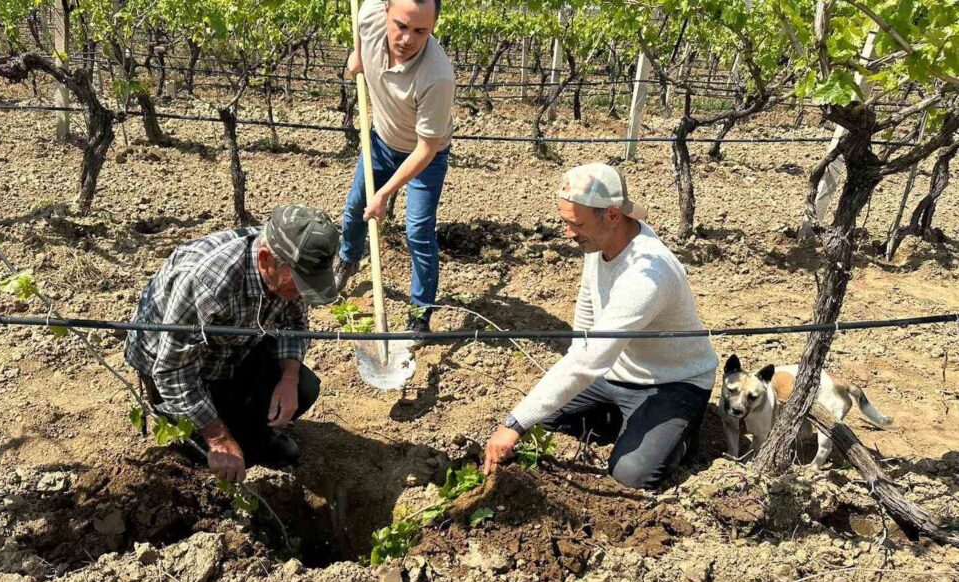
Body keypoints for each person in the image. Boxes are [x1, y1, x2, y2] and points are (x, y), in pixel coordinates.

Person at [483, 164, 719, 490]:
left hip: (672, 382)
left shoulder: (647, 275)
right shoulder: (599, 243)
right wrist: (531, 416)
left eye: (576, 224)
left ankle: (679, 436)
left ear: (611, 215)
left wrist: (514, 423)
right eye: (566, 222)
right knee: (545, 419)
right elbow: (585, 324)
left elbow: (590, 358)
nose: (568, 233)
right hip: (614, 374)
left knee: (631, 475)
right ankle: (632, 425)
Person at [125, 205, 340, 483]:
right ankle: (215, 441)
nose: (302, 291)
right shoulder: (209, 282)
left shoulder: (291, 260)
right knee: (226, 456)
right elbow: (172, 372)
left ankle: (256, 435)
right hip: (175, 369)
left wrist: (289, 377)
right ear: (265, 260)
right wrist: (218, 439)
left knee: (303, 388)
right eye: (299, 282)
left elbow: (294, 323)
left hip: (234, 349)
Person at [336, 0, 454, 336]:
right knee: (355, 208)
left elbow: (426, 149)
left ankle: (420, 313)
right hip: (381, 141)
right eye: (401, 26)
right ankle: (347, 260)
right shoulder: (370, 15)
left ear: (433, 28)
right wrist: (358, 53)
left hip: (425, 157)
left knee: (418, 230)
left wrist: (385, 194)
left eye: (420, 31)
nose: (407, 39)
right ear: (386, 12)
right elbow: (361, 17)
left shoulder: (438, 77)